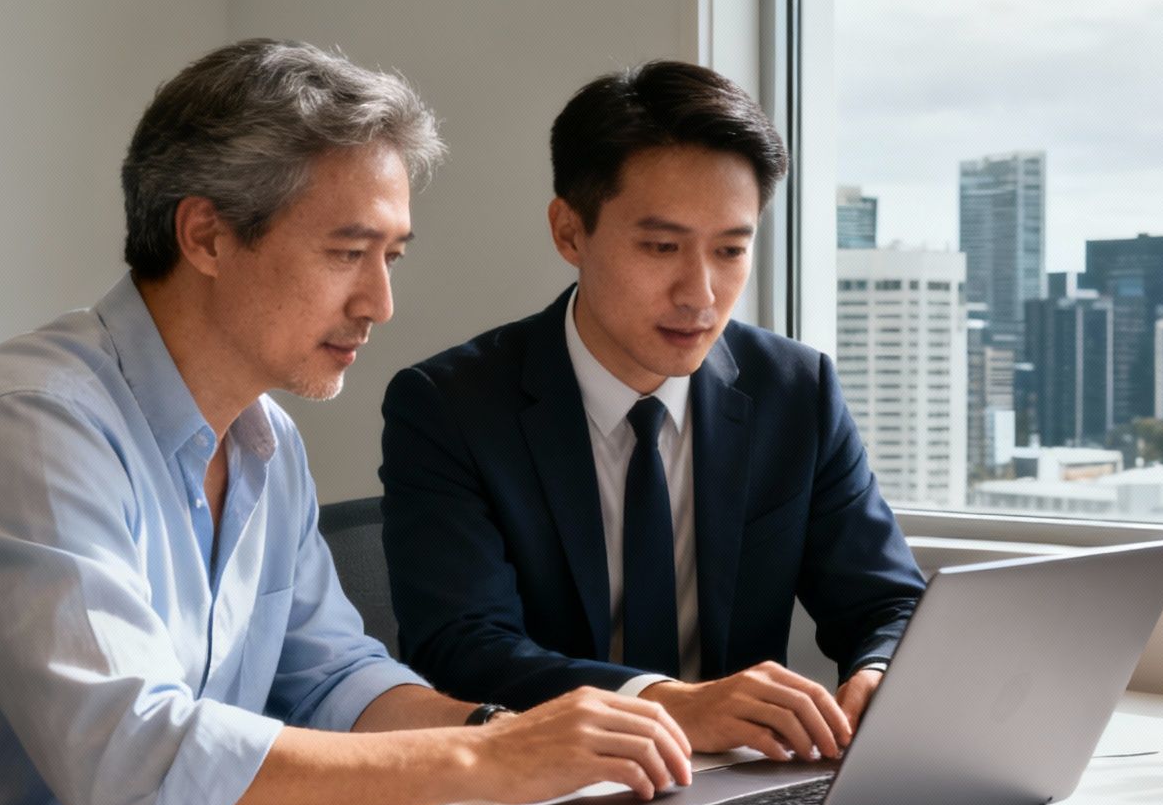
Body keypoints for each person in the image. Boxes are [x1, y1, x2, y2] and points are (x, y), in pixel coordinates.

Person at [0, 40, 691, 805]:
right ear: (207, 236)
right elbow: (132, 761)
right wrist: (483, 760)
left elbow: (334, 679)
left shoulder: (263, 437)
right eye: (347, 252)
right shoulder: (29, 428)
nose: (379, 302)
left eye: (391, 256)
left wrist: (522, 737)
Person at [380, 61, 925, 766]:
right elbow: (462, 649)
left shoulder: (796, 390)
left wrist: (879, 674)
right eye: (662, 247)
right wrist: (668, 703)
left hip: (735, 787)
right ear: (569, 232)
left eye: (731, 250)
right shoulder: (449, 405)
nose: (700, 295)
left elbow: (888, 603)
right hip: (546, 791)